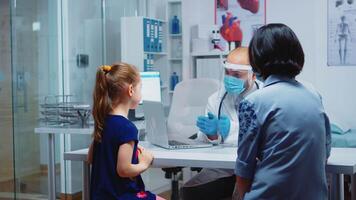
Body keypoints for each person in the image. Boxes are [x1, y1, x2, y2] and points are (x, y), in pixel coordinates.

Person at [235, 23, 331, 199]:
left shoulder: (253, 102)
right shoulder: (314, 95)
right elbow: (325, 153)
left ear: (257, 59)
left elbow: (244, 170)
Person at [181, 47, 261, 200]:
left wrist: (231, 129)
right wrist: (211, 135)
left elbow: (263, 136)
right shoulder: (216, 99)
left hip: (254, 168)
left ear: (254, 74)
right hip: (222, 167)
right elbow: (204, 142)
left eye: (237, 75)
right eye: (227, 73)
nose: (230, 79)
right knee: (189, 191)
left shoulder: (265, 98)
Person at [87, 63, 165, 200]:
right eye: (140, 88)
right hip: (121, 196)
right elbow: (124, 170)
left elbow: (91, 158)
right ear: (131, 90)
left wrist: (130, 148)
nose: (141, 93)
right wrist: (144, 163)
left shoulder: (103, 121)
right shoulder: (127, 128)